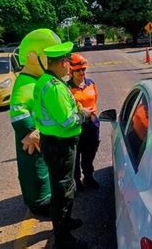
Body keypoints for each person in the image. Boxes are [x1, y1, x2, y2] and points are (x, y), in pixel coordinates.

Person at [33, 37, 92, 249]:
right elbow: (67, 122)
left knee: (63, 187)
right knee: (63, 190)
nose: (70, 66)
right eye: (68, 62)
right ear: (62, 63)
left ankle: (64, 223)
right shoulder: (55, 87)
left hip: (53, 141)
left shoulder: (45, 81)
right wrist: (83, 115)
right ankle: (63, 239)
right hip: (60, 145)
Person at [9, 29, 55, 217]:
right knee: (34, 168)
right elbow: (18, 111)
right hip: (33, 140)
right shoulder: (24, 84)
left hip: (43, 137)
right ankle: (38, 202)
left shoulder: (36, 80)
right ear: (32, 56)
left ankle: (46, 197)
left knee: (43, 166)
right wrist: (28, 130)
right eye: (48, 57)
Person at [67, 53, 100, 191]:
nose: (81, 72)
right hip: (77, 124)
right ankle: (76, 181)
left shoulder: (91, 83)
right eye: (78, 70)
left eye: (83, 69)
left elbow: (95, 99)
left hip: (92, 124)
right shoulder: (66, 88)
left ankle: (88, 176)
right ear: (71, 71)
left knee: (90, 153)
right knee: (76, 154)